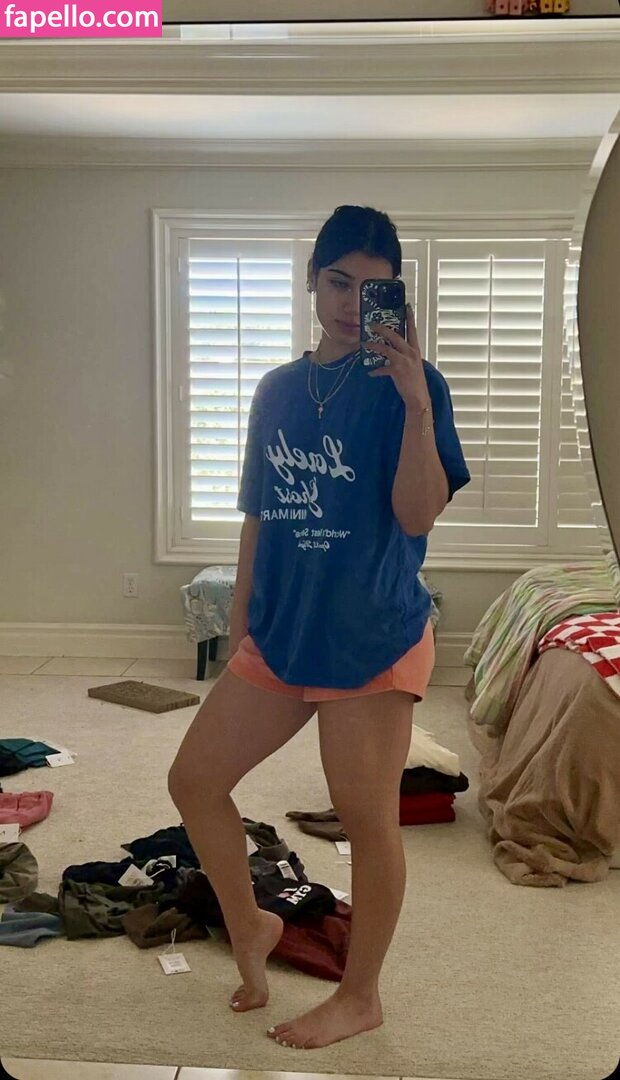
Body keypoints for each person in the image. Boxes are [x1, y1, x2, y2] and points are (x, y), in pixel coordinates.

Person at [168, 205, 471, 1050]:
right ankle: (252, 924)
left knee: (365, 817)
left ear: (396, 297)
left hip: (373, 635)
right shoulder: (277, 391)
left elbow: (417, 516)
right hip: (283, 632)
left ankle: (360, 995)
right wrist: (241, 623)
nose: (350, 302)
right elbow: (259, 514)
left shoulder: (417, 387)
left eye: (373, 288)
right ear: (311, 280)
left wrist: (415, 405)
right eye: (338, 281)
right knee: (194, 781)